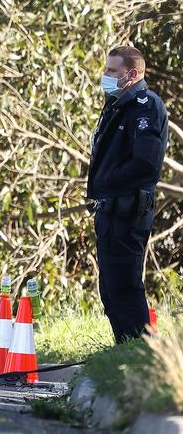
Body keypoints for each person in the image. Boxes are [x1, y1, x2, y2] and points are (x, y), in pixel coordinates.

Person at [87, 45, 169, 342]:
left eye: (112, 70)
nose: (105, 76)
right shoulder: (117, 103)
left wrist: (108, 181)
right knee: (109, 288)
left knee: (125, 285)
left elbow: (145, 164)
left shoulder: (146, 106)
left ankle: (139, 351)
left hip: (128, 210)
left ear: (132, 74)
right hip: (109, 209)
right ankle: (125, 350)